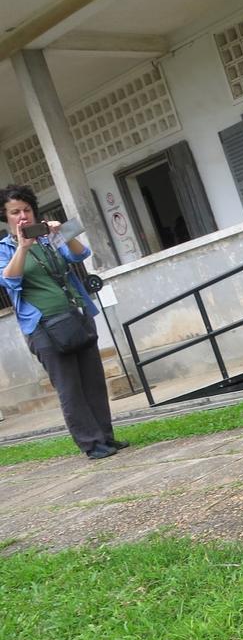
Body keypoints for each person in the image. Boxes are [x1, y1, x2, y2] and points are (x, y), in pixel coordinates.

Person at [1, 185, 127, 460]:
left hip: (76, 316)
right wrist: (23, 247)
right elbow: (9, 280)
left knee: (93, 381)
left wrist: (63, 233)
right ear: (6, 217)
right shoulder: (5, 249)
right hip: (43, 327)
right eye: (15, 212)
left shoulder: (47, 238)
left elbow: (80, 254)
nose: (22, 216)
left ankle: (106, 437)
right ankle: (91, 444)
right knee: (70, 388)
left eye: (26, 210)